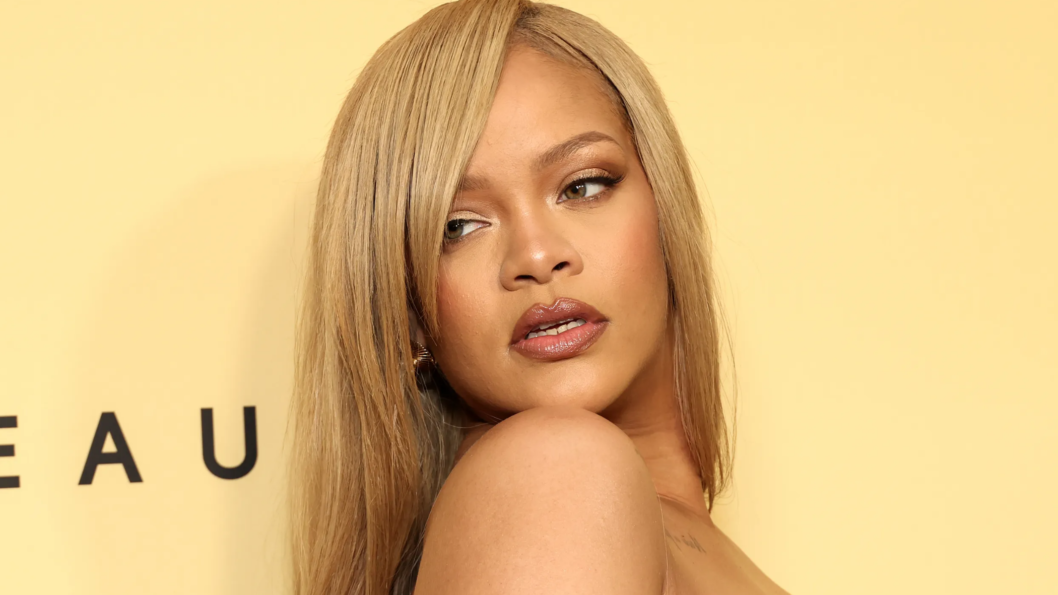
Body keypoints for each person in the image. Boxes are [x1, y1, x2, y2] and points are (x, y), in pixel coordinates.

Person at [288, 0, 789, 593]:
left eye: (582, 186)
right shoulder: (557, 473)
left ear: (666, 208)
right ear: (410, 313)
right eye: (458, 226)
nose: (536, 255)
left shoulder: (677, 531)